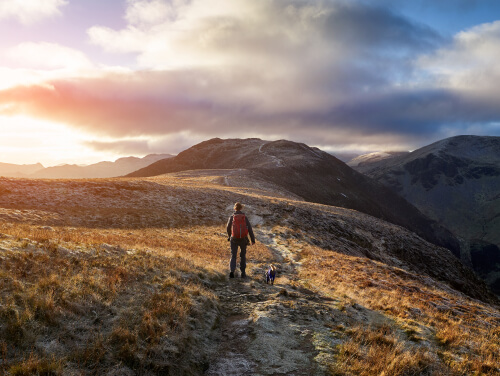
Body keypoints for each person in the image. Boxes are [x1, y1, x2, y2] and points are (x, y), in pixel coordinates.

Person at [226, 202, 255, 278]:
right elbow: (250, 229)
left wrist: (229, 236)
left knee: (233, 255)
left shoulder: (232, 217)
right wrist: (252, 239)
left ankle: (232, 271)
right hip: (243, 239)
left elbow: (228, 228)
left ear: (234, 208)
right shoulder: (244, 217)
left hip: (234, 238)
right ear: (241, 208)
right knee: (242, 256)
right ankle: (243, 273)